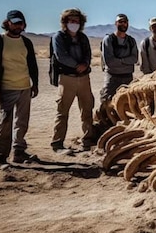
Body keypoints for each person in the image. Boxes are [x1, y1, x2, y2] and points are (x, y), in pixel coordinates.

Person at [0, 10, 39, 169]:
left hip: (24, 87)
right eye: (14, 22)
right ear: (7, 23)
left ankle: (18, 152)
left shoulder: (26, 42)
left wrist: (34, 84)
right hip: (6, 88)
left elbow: (32, 65)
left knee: (22, 122)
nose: (17, 25)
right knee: (5, 123)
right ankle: (0, 157)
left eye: (20, 23)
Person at [50, 8, 94, 154]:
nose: (74, 23)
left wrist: (85, 64)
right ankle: (57, 144)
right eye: (71, 20)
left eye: (76, 21)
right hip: (67, 78)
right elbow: (60, 56)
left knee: (87, 110)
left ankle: (87, 141)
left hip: (84, 79)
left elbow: (88, 54)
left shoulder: (83, 38)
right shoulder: (59, 37)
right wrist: (77, 66)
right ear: (65, 22)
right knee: (62, 111)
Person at [99, 13, 138, 103]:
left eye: (125, 22)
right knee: (106, 103)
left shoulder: (131, 41)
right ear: (116, 24)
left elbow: (134, 59)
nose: (123, 24)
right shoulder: (109, 39)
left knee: (129, 104)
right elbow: (110, 62)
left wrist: (119, 61)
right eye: (120, 22)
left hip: (128, 78)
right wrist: (126, 62)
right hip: (112, 78)